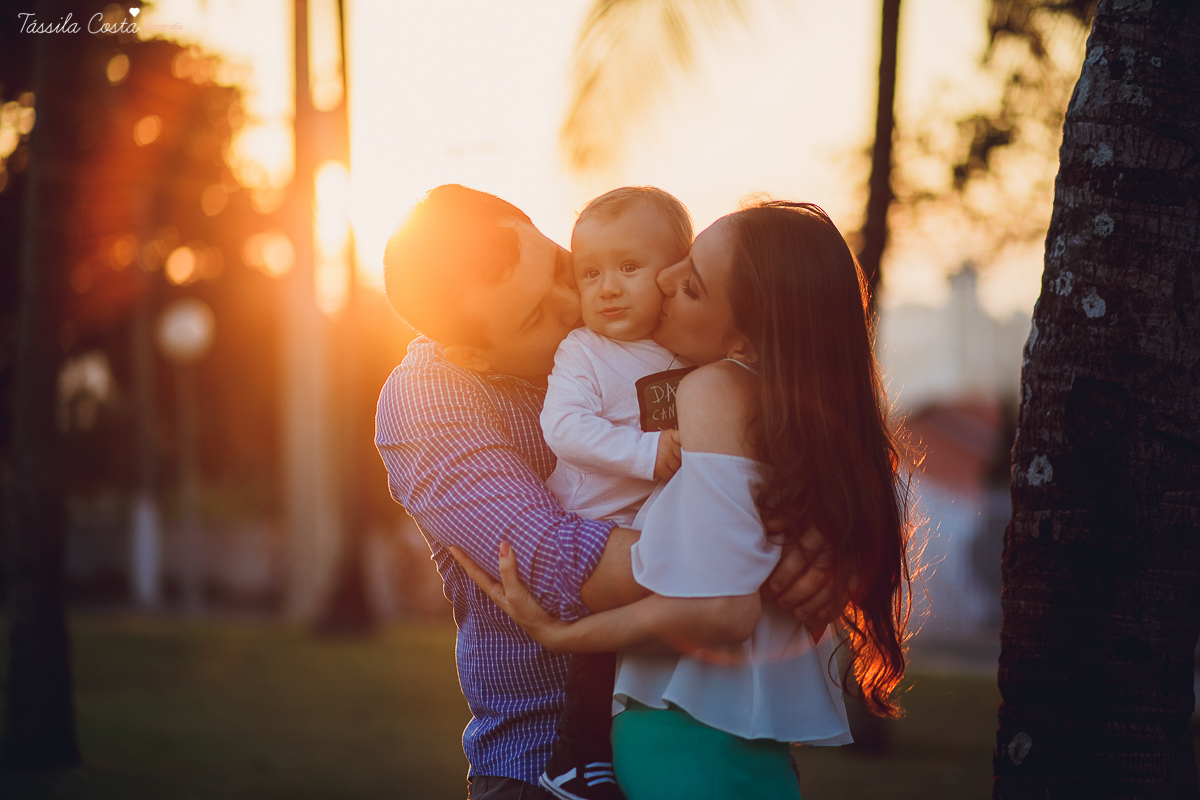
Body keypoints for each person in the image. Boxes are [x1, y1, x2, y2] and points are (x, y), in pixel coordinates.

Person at [376, 185, 849, 800]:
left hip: (698, 733)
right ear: (473, 352)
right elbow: (559, 563)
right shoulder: (433, 400)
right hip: (545, 763)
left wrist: (830, 526)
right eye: (533, 315)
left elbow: (776, 377)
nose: (576, 302)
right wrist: (775, 550)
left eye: (563, 270)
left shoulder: (643, 325)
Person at [538, 186, 693, 800]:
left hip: (653, 532)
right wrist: (645, 454)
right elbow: (564, 427)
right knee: (601, 654)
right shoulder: (584, 351)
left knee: (658, 653)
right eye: (590, 273)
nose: (607, 287)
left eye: (629, 268)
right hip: (592, 530)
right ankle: (575, 759)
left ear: (675, 274)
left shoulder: (686, 351)